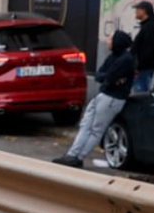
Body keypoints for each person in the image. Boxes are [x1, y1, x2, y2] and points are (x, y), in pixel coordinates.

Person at [52, 30, 135, 168]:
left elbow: (109, 77)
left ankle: (79, 157)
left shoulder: (126, 60)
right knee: (85, 125)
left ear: (118, 42)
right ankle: (72, 155)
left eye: (111, 38)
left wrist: (109, 78)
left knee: (96, 129)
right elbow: (100, 75)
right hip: (103, 95)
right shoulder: (114, 56)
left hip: (112, 99)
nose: (108, 41)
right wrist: (108, 78)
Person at [131, 0, 154, 94]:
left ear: (144, 11)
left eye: (137, 9)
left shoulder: (150, 27)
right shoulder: (147, 26)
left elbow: (148, 50)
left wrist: (138, 68)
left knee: (140, 96)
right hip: (142, 69)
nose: (136, 11)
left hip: (143, 69)